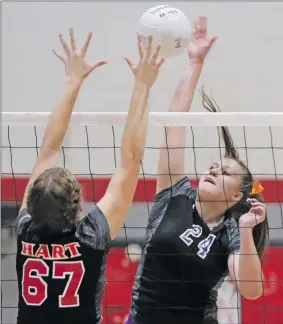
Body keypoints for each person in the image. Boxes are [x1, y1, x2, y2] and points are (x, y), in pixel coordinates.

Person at [15, 28, 165, 324]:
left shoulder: (24, 231)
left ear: (30, 206)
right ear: (77, 204)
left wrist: (72, 81)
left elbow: (48, 151)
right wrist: (142, 85)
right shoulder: (91, 236)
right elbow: (131, 160)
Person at [127, 17, 269, 324]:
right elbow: (174, 122)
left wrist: (246, 230)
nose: (214, 171)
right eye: (213, 166)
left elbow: (252, 290)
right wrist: (193, 62)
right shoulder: (175, 195)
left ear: (235, 194)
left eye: (225, 172)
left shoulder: (230, 231)